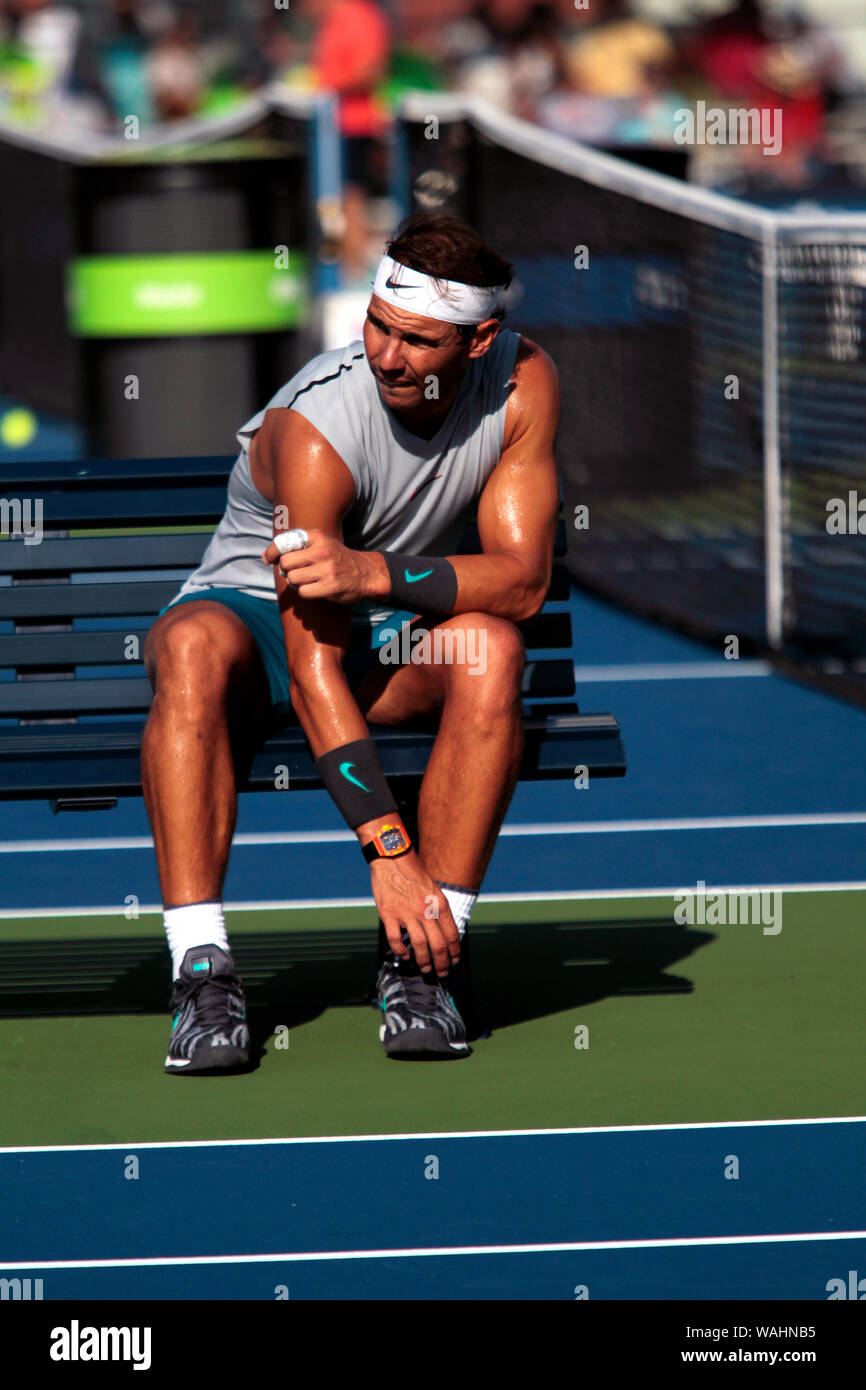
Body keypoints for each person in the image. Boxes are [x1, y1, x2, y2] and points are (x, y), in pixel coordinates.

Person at [142, 212, 560, 1072]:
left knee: (490, 652)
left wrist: (374, 575)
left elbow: (521, 583)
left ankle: (425, 959)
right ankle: (201, 968)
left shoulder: (524, 382)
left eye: (417, 340)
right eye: (377, 323)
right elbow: (311, 666)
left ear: (481, 340)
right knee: (189, 648)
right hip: (255, 625)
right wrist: (388, 849)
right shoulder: (316, 430)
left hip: (384, 622)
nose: (387, 355)